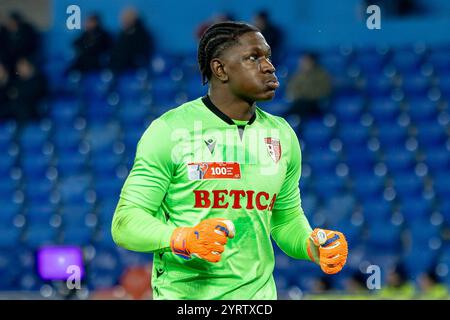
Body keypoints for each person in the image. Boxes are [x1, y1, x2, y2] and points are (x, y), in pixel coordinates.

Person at [111, 21, 348, 300]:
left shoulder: (282, 135)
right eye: (253, 58)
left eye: (268, 57)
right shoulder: (170, 131)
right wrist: (183, 238)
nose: (269, 67)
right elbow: (125, 223)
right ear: (220, 69)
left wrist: (312, 246)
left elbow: (286, 221)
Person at [285, 53, 332, 120]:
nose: (302, 63)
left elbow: (323, 91)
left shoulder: (321, 75)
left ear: (312, 62)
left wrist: (304, 94)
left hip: (315, 103)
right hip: (299, 103)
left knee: (302, 106)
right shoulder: (298, 74)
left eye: (305, 61)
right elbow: (291, 90)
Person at [108, 7, 153, 74]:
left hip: (133, 66)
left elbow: (140, 52)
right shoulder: (123, 33)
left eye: (126, 18)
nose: (123, 21)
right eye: (123, 18)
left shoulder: (141, 34)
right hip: (120, 66)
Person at [7, 57, 48, 123]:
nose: (21, 69)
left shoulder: (39, 80)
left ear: (30, 66)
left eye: (23, 65)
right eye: (19, 67)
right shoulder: (16, 83)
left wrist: (19, 93)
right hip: (18, 117)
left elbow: (35, 94)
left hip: (35, 114)